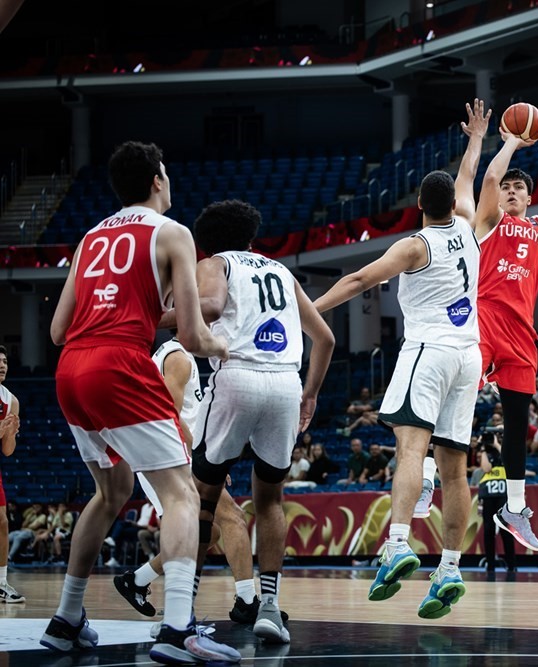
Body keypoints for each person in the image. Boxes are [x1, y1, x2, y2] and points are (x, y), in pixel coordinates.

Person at [43, 141, 238, 663]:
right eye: (166, 174)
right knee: (181, 495)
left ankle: (66, 617)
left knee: (112, 492)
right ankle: (177, 628)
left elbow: (58, 330)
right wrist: (223, 346)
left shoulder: (89, 238)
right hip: (120, 365)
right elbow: (193, 337)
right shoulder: (172, 233)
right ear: (156, 180)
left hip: (71, 371)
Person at [313, 170, 481, 619]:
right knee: (455, 473)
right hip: (469, 356)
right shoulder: (468, 227)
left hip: (429, 351)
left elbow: (357, 282)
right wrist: (478, 142)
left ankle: (398, 543)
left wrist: (308, 310)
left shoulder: (414, 246)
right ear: (453, 203)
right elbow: (468, 176)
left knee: (410, 450)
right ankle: (449, 568)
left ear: (419, 204)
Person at [414, 98, 538, 551]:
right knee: (453, 395)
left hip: (521, 332)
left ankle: (514, 508)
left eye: (520, 188)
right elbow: (486, 181)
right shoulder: (488, 221)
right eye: (508, 188)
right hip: (481, 320)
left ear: (529, 197)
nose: (513, 192)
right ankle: (425, 476)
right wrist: (511, 144)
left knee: (517, 421)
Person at [178, 199, 333, 645]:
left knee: (202, 499)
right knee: (270, 500)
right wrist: (310, 394)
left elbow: (210, 307)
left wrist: (161, 316)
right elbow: (325, 338)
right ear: (250, 235)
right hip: (285, 383)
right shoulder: (281, 271)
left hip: (237, 375)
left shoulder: (215, 263)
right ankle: (269, 608)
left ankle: (183, 611)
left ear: (206, 242)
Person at [114, 337, 260, 628]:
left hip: (164, 455)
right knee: (232, 516)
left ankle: (137, 580)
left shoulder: (169, 355)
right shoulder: (178, 357)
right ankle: (247, 601)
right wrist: (205, 458)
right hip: (175, 454)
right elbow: (170, 414)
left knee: (207, 534)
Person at [0, 345, 25, 603]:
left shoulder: (11, 400)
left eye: (5, 361)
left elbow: (8, 451)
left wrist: (10, 432)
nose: (2, 365)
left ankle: (1, 583)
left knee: (2, 522)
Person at [476, 435, 516, 573]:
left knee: (506, 530)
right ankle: (490, 565)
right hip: (488, 496)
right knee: (488, 530)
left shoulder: (504, 450)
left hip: (503, 495)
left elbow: (508, 462)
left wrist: (497, 444)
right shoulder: (484, 453)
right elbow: (486, 468)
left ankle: (512, 565)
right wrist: (483, 448)